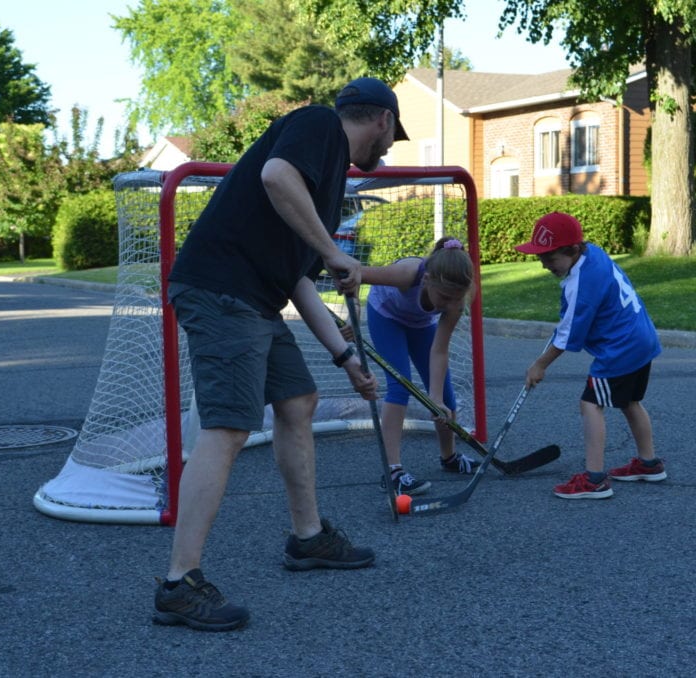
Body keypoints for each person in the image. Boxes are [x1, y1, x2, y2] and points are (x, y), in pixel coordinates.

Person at [152, 77, 409, 632]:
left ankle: (309, 538)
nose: (385, 152)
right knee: (227, 428)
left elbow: (298, 280)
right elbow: (273, 175)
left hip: (258, 300)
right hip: (223, 292)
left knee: (299, 401)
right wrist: (332, 250)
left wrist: (345, 357)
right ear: (382, 121)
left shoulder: (323, 179)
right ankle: (179, 583)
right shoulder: (319, 126)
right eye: (390, 139)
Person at [513, 212, 666, 500]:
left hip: (620, 348)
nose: (544, 264)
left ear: (571, 250)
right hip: (641, 339)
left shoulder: (581, 283)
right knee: (629, 400)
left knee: (590, 403)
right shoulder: (591, 252)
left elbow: (569, 335)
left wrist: (539, 364)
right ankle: (649, 464)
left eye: (549, 257)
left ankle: (594, 479)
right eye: (540, 257)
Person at [354, 236, 479, 496]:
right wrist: (354, 307)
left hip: (420, 325)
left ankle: (449, 458)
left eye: (455, 299)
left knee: (444, 396)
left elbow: (440, 349)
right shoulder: (407, 274)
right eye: (444, 297)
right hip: (386, 314)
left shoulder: (455, 301)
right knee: (400, 386)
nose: (448, 305)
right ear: (427, 280)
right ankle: (393, 471)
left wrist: (434, 399)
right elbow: (353, 272)